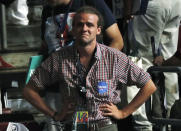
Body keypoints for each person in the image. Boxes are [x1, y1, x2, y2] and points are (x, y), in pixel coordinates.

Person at [23, 6, 157, 131]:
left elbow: (149, 86)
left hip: (105, 127)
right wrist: (55, 114)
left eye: (90, 25)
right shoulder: (59, 59)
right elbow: (29, 90)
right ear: (73, 29)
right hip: (75, 126)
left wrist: (123, 112)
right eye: (79, 24)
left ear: (98, 30)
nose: (84, 28)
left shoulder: (114, 57)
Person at [119, 0, 181, 130]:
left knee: (139, 60)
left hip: (150, 5)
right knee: (166, 61)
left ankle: (143, 124)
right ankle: (170, 121)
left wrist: (128, 9)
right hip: (175, 4)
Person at [40, 0, 123, 57]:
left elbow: (117, 41)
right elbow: (45, 46)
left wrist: (99, 65)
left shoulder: (91, 2)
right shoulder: (47, 10)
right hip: (58, 75)